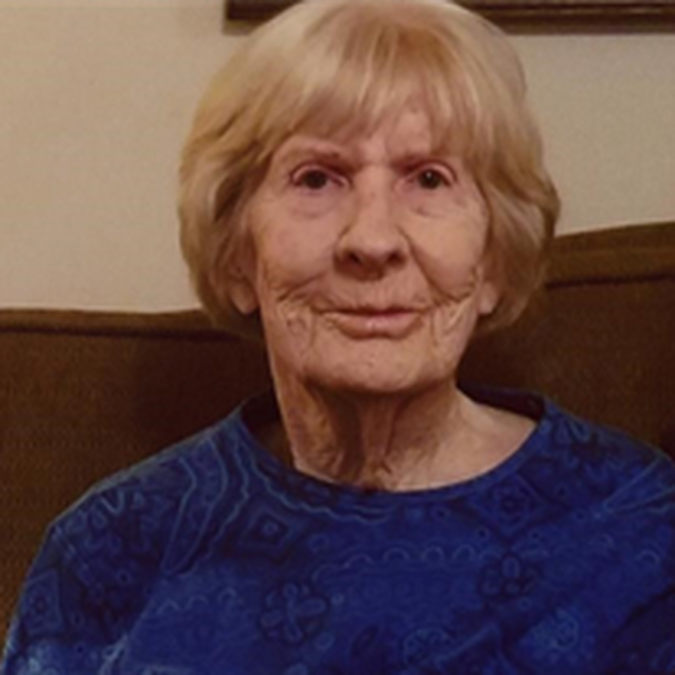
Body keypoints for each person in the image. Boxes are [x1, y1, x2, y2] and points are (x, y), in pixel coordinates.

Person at [3, 0, 674, 673]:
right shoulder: (114, 545)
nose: (372, 240)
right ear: (237, 256)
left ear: (494, 260)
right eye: (317, 178)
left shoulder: (638, 528)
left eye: (429, 178)